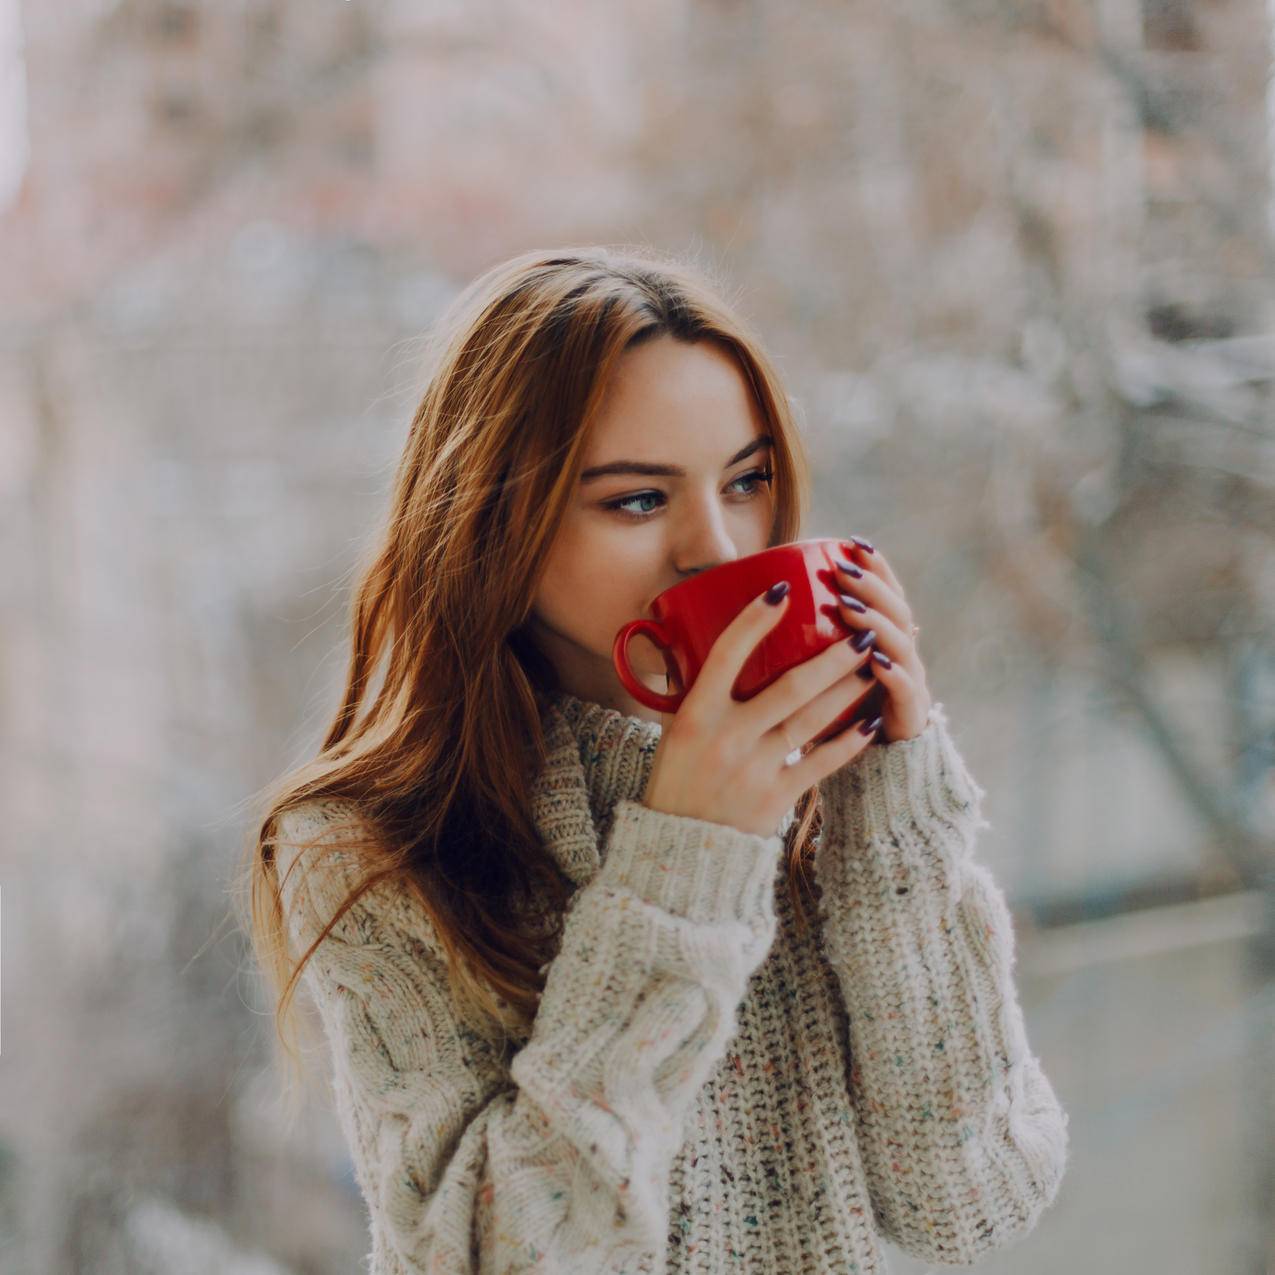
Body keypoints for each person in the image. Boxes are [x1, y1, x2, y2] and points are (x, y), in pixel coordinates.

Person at [237, 245, 1069, 1274]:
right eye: (637, 499)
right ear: (497, 525)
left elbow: (971, 1201)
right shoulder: (368, 847)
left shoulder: (822, 792)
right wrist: (685, 865)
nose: (718, 550)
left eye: (748, 480)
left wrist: (894, 815)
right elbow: (495, 1257)